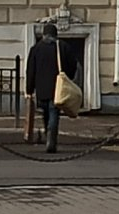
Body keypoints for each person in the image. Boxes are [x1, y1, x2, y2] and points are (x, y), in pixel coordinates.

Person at [25, 22, 79, 153]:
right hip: (59, 88)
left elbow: (30, 71)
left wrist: (29, 90)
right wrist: (68, 78)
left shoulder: (36, 49)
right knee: (54, 112)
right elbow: (73, 65)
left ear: (44, 34)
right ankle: (51, 140)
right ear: (56, 35)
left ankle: (47, 133)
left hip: (42, 89)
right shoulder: (63, 47)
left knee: (45, 113)